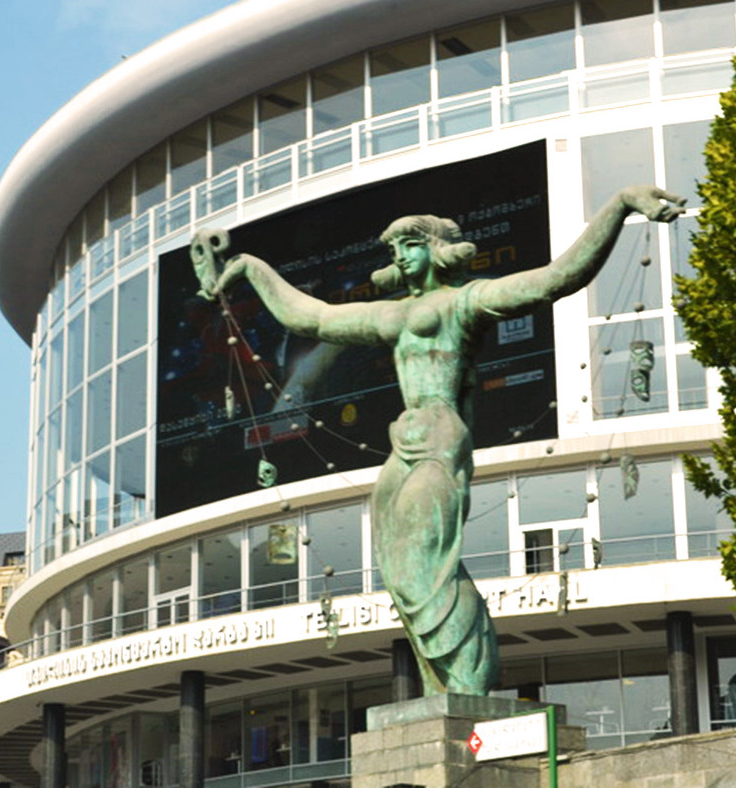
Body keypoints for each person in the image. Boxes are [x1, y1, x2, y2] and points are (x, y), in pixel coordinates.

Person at [198, 184, 682, 695]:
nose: (399, 257)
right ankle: (440, 686)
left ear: (435, 248)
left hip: (440, 438)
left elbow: (555, 279)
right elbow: (310, 316)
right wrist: (250, 267)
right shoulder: (392, 315)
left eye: (409, 245)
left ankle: (468, 681)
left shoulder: (465, 302)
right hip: (402, 442)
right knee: (400, 567)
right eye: (393, 250)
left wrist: (620, 202)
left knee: (429, 558)